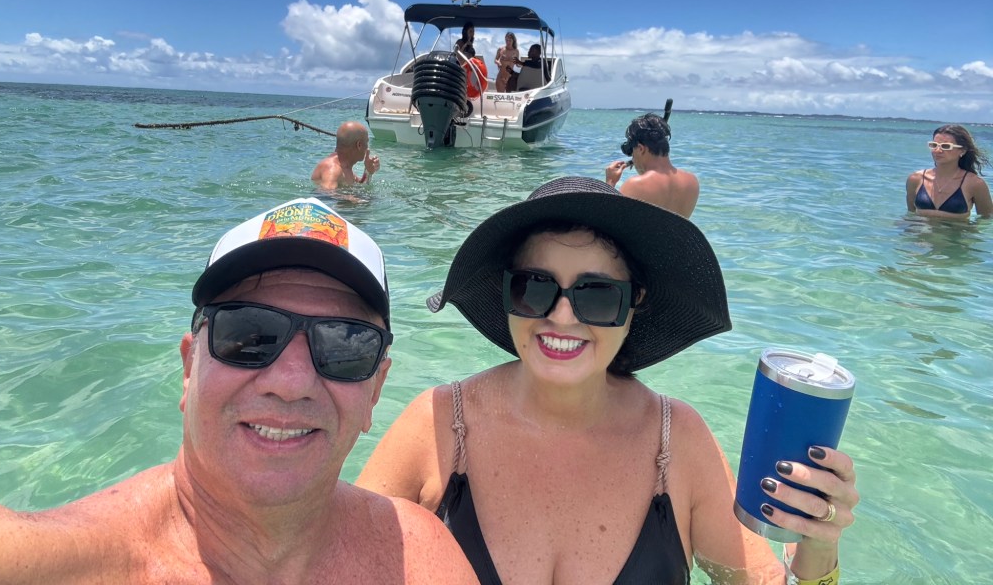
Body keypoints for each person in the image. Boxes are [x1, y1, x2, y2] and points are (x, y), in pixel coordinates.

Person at [357, 176, 859, 585]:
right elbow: (335, 554)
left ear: (634, 303)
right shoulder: (438, 425)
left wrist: (819, 546)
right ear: (506, 292)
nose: (561, 316)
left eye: (596, 295)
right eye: (535, 287)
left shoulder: (677, 441)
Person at [0, 197, 479, 585]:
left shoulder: (422, 560)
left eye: (344, 345)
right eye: (249, 335)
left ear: (375, 392)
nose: (291, 383)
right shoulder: (42, 564)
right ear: (189, 368)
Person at [605, 112, 700, 218]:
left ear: (640, 149)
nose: (633, 158)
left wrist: (610, 182)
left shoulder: (635, 185)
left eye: (632, 152)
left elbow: (607, 219)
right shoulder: (692, 181)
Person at [905, 124, 992, 218]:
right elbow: (911, 214)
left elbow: (987, 219)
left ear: (962, 150)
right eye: (934, 145)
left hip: (957, 228)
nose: (937, 150)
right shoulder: (915, 179)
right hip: (920, 227)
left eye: (946, 146)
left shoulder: (975, 184)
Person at [312, 120, 380, 190]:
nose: (367, 148)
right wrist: (352, 196)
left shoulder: (345, 167)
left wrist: (368, 171)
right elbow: (325, 193)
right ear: (359, 145)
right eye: (366, 142)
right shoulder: (333, 169)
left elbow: (360, 186)